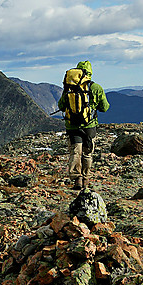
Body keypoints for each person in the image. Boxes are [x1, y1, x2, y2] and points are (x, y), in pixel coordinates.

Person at [58, 60, 110, 189]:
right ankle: (86, 179)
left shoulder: (69, 87)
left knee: (76, 152)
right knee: (87, 153)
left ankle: (77, 179)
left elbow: (61, 105)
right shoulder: (96, 88)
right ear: (90, 72)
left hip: (72, 126)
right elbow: (104, 108)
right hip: (89, 126)